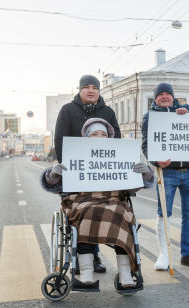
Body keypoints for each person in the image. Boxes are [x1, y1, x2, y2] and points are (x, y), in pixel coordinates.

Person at [41, 118, 154, 293]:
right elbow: (53, 185)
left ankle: (125, 273)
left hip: (113, 201)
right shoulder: (75, 153)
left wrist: (145, 174)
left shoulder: (119, 155)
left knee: (119, 214)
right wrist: (54, 175)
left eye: (104, 134)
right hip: (82, 202)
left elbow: (133, 185)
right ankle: (86, 272)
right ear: (86, 136)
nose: (100, 136)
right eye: (95, 133)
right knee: (88, 213)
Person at [54, 74, 121, 273]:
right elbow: (60, 141)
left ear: (99, 91)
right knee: (82, 210)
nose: (91, 90)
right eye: (87, 87)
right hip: (77, 175)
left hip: (102, 174)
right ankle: (81, 255)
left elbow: (116, 140)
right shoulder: (67, 110)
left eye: (95, 87)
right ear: (80, 90)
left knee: (102, 209)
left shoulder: (107, 112)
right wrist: (68, 168)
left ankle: (95, 256)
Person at [141, 83, 189, 270]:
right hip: (167, 172)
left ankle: (187, 254)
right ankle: (164, 253)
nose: (165, 96)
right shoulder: (150, 117)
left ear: (173, 96)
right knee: (164, 214)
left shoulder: (186, 110)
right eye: (161, 94)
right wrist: (156, 161)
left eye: (168, 93)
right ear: (155, 98)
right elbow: (146, 144)